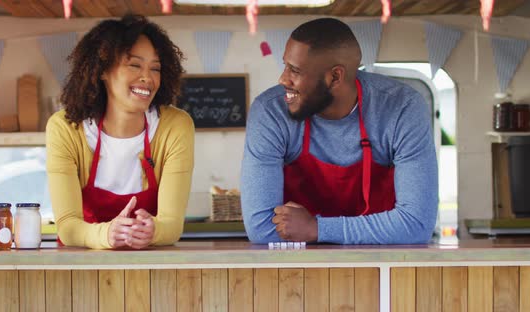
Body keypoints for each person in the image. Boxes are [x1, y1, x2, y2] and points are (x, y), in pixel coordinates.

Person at [241, 18, 438, 244]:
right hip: (297, 269)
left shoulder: (402, 107)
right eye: (285, 66)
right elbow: (261, 229)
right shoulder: (270, 112)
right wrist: (380, 230)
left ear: (335, 76)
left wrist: (316, 229)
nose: (283, 79)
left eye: (295, 70)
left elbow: (416, 225)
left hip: (381, 266)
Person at [46, 14, 194, 250]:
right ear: (102, 70)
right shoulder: (65, 128)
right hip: (80, 270)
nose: (148, 78)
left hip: (150, 269)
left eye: (155, 68)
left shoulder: (176, 126)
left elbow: (172, 225)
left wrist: (154, 231)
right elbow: (68, 226)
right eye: (135, 65)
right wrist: (106, 234)